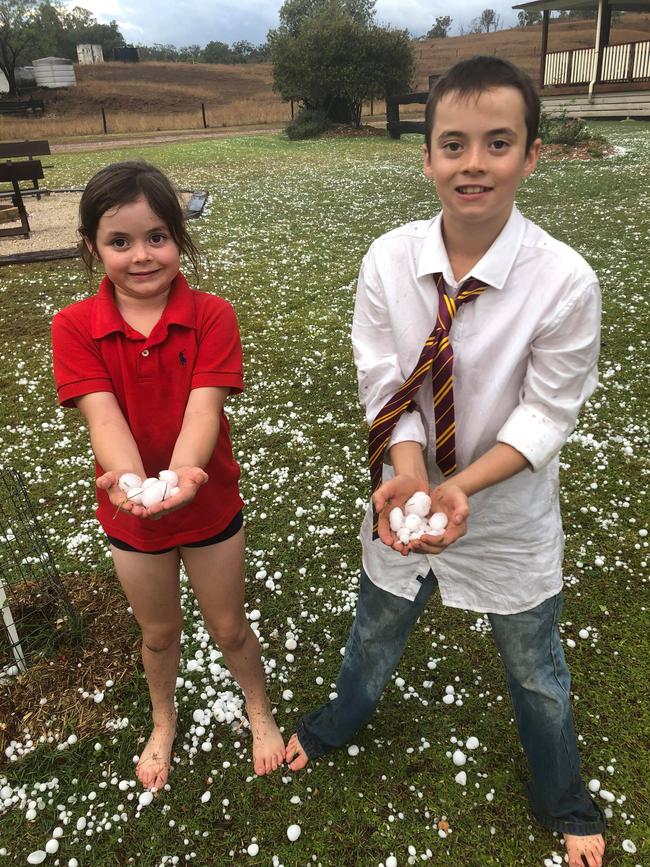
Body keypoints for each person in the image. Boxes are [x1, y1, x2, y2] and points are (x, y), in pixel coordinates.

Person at [286, 57, 606, 867]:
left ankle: (563, 797)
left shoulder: (565, 281)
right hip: (407, 495)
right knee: (376, 624)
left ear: (532, 154)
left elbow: (546, 413)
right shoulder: (388, 261)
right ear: (425, 155)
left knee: (535, 664)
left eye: (497, 143)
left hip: (508, 514)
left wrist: (455, 488)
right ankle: (337, 720)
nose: (474, 163)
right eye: (454, 144)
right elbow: (384, 382)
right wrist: (411, 478)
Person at [51, 160, 285, 789]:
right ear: (92, 247)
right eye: (119, 241)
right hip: (131, 519)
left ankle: (259, 710)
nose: (141, 255)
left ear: (180, 237)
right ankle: (163, 719)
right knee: (158, 633)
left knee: (230, 626)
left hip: (209, 506)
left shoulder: (212, 315)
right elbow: (103, 421)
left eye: (157, 236)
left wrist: (182, 476)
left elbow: (203, 408)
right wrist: (133, 487)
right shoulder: (74, 328)